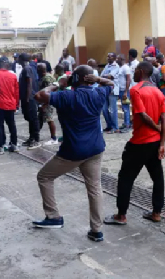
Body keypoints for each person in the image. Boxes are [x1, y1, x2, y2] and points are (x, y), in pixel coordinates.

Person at [33, 66, 115, 242]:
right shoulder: (98, 94)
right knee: (94, 188)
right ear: (90, 79)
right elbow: (111, 84)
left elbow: (39, 96)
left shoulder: (66, 96)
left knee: (44, 177)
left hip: (73, 151)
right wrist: (98, 79)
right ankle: (96, 230)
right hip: (95, 148)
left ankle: (53, 216)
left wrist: (55, 84)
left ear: (74, 80)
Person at [103, 61, 165, 225]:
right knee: (157, 178)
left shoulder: (136, 89)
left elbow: (143, 115)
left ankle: (121, 215)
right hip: (155, 142)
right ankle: (156, 213)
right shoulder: (158, 91)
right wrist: (162, 142)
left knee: (125, 178)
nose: (133, 73)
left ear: (140, 71)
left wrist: (156, 128)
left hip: (140, 142)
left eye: (134, 71)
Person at [19, 53, 41, 149]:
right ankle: (31, 137)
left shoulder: (27, 69)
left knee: (33, 118)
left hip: (30, 98)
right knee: (29, 118)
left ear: (21, 59)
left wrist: (28, 98)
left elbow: (29, 83)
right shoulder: (26, 68)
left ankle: (36, 139)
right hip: (26, 98)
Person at [37, 63, 59, 145]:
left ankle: (54, 138)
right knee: (39, 119)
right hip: (44, 102)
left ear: (41, 69)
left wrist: (45, 104)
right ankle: (35, 137)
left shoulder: (47, 78)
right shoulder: (46, 76)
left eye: (38, 68)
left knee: (49, 119)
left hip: (47, 102)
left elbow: (50, 92)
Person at [0, 56, 18, 154]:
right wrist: (16, 105)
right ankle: (14, 144)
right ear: (7, 64)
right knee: (12, 124)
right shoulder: (13, 76)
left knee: (0, 125)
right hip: (11, 104)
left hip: (0, 104)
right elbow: (16, 92)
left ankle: (1, 145)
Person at [101, 53, 121, 134]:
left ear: (115, 58)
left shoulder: (116, 66)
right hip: (105, 88)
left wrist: (102, 77)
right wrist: (103, 77)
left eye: (110, 56)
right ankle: (109, 126)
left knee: (113, 110)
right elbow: (102, 75)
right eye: (107, 56)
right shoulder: (107, 66)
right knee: (104, 109)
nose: (108, 58)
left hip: (113, 89)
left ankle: (115, 127)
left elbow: (109, 76)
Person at [116, 54, 132, 131]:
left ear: (121, 59)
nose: (116, 60)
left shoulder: (126, 68)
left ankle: (127, 124)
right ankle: (125, 123)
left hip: (125, 90)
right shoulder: (120, 68)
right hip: (120, 90)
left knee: (126, 108)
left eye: (117, 59)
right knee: (123, 108)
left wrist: (126, 91)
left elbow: (128, 80)